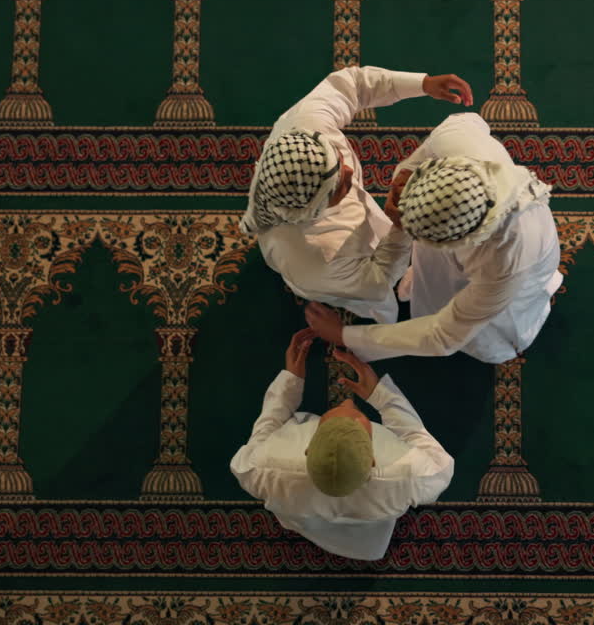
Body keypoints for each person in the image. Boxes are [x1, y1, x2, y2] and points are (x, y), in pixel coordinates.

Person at [305, 113, 562, 364]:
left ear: (460, 240)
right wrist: (401, 183)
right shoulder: (458, 143)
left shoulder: (506, 261)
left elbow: (444, 335)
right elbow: (464, 123)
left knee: (488, 331)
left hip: (512, 282)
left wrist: (345, 335)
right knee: (436, 282)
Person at [241, 66, 474, 323]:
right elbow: (377, 280)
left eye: (340, 162)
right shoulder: (319, 259)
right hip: (337, 280)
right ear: (313, 210)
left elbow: (352, 84)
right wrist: (399, 226)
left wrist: (422, 84)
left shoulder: (305, 126)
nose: (351, 172)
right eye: (339, 187)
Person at [229, 328, 455, 561]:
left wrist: (291, 381)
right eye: (355, 414)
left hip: (300, 515)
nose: (347, 401)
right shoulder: (408, 476)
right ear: (373, 459)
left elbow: (264, 431)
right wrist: (382, 397)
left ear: (307, 449)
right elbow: (438, 460)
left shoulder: (263, 468)